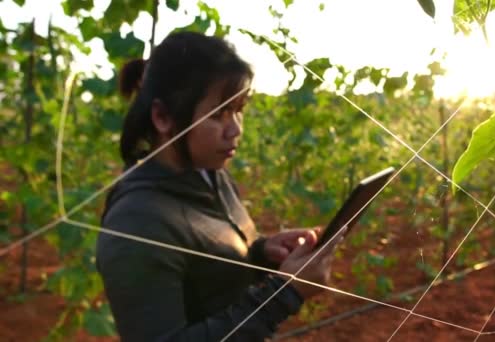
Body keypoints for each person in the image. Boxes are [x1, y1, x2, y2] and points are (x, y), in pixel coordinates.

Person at [96, 31, 340, 341]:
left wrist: (264, 252)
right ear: (162, 117)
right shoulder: (135, 224)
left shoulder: (210, 174)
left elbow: (208, 274)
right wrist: (286, 292)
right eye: (220, 114)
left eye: (239, 109)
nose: (236, 129)